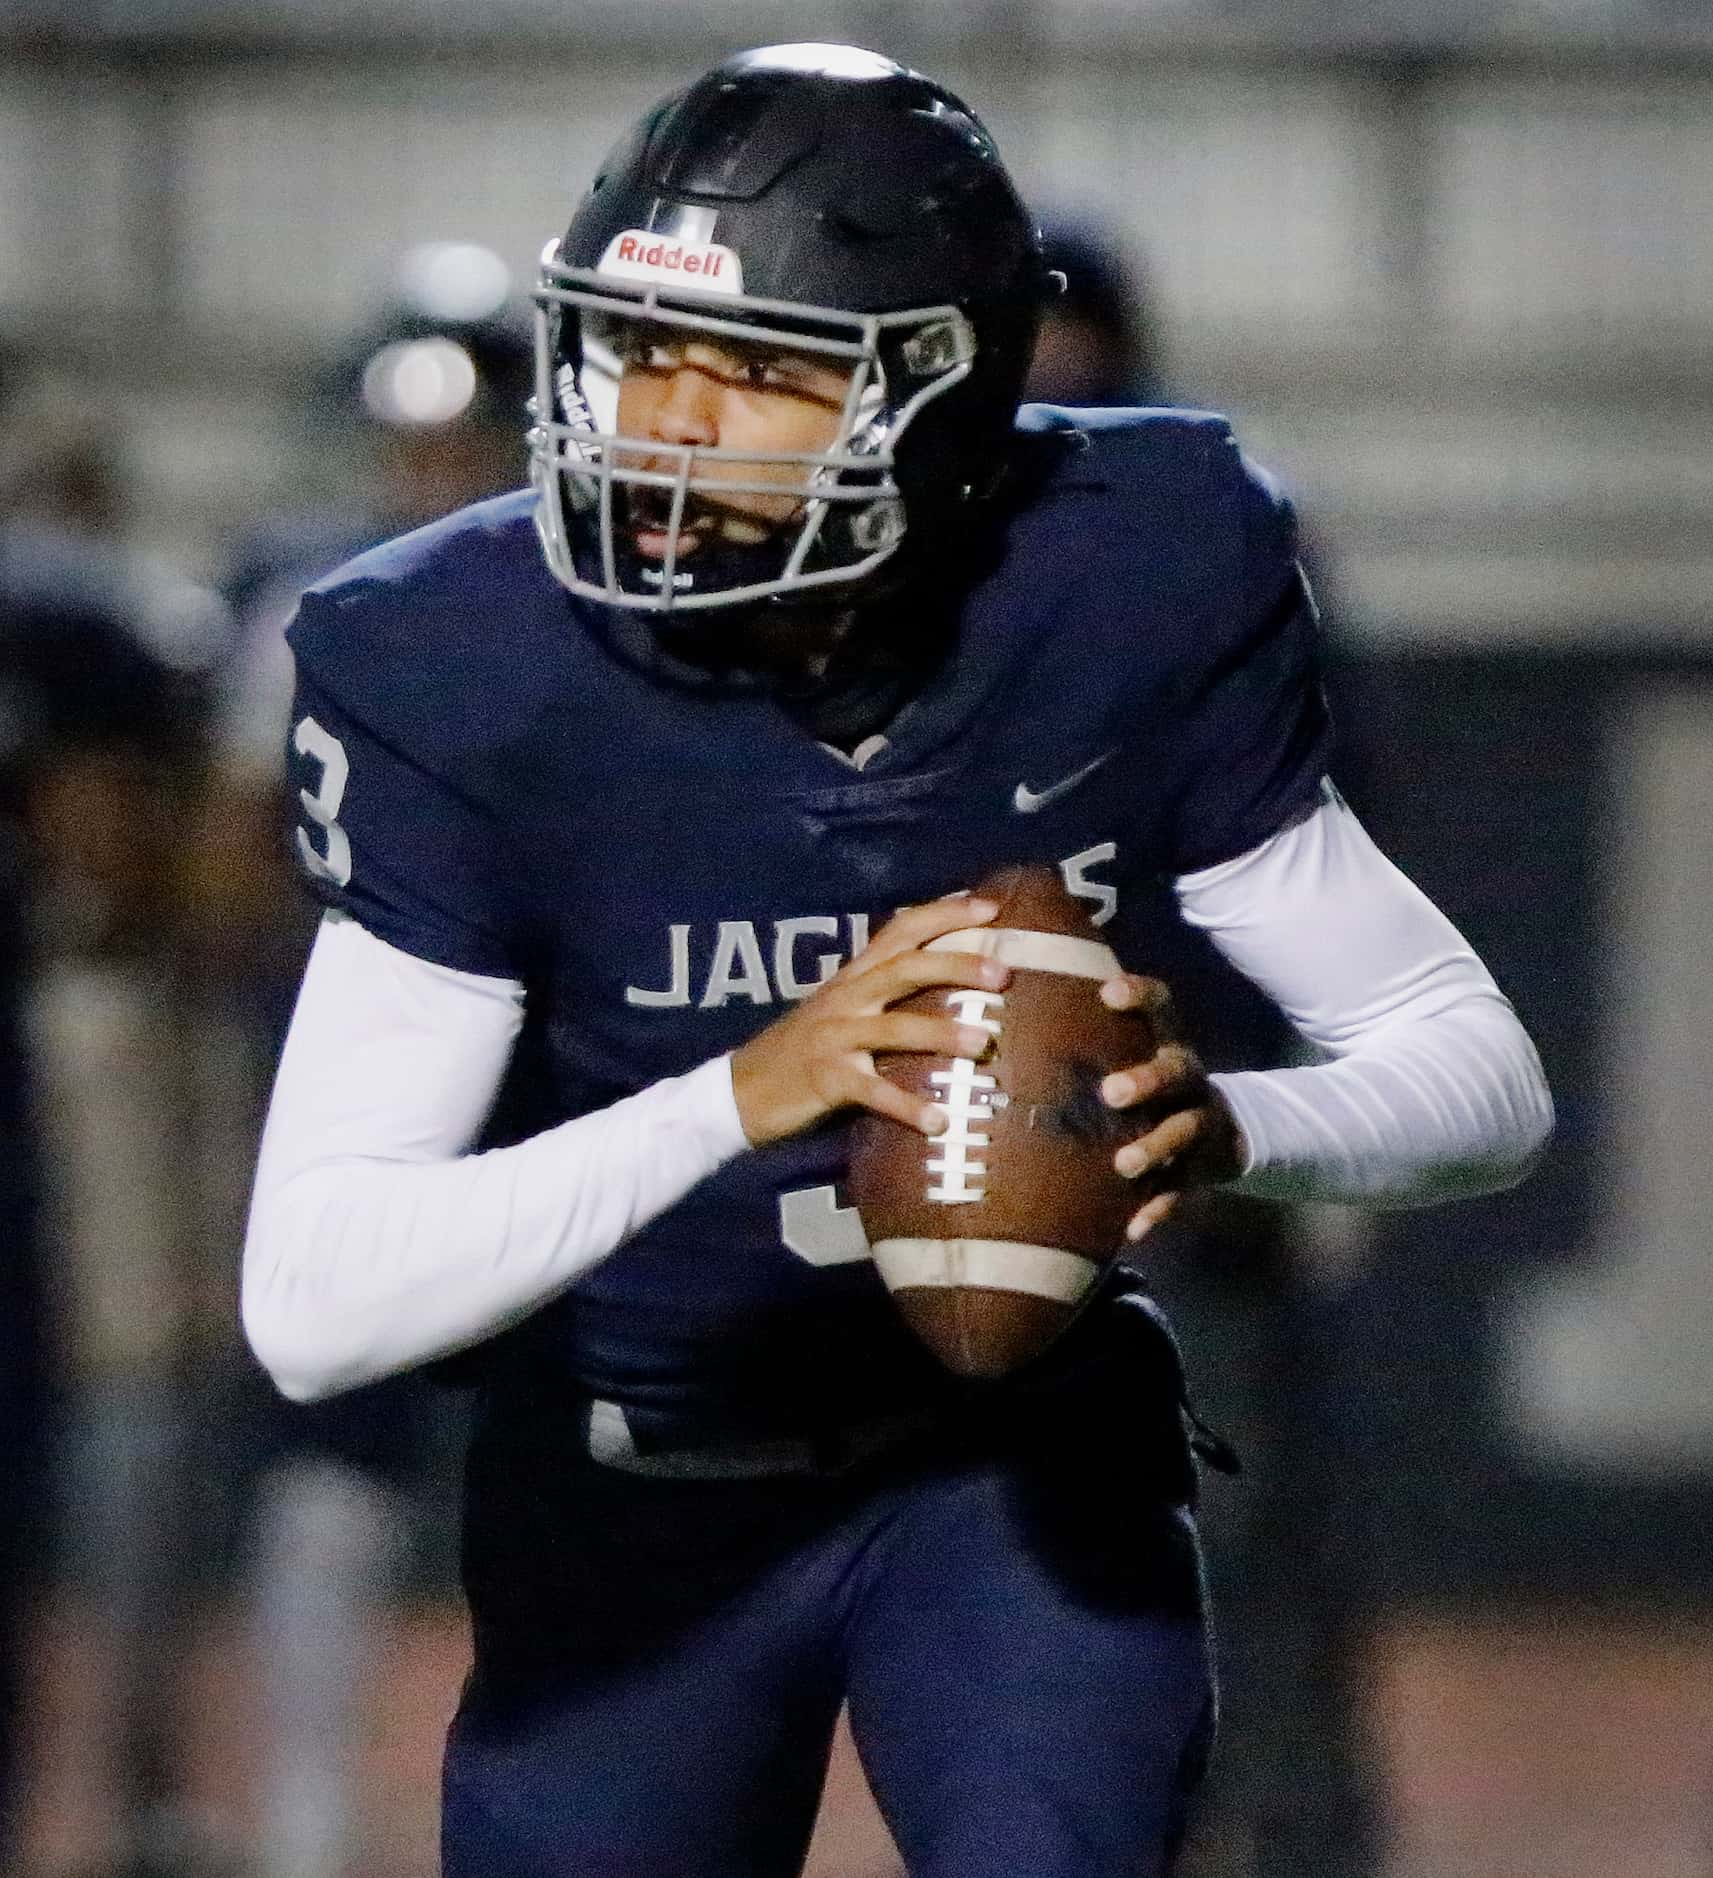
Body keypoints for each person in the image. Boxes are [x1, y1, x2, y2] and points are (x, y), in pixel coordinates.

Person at [240, 43, 1552, 1878]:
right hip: (638, 1481)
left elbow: (1475, 1071)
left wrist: (1223, 1121)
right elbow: (312, 1300)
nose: (663, 418)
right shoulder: (463, 661)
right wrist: (743, 1090)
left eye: (757, 370)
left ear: (938, 398)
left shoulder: (1131, 569)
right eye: (636, 346)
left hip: (1013, 1475)